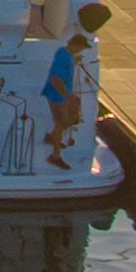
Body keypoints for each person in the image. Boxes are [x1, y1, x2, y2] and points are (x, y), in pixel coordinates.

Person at [43, 30, 94, 170]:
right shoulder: (64, 58)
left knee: (63, 121)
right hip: (57, 96)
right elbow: (56, 79)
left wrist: (74, 60)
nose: (82, 49)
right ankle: (55, 156)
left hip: (56, 94)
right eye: (81, 47)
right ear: (76, 46)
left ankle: (53, 137)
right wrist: (67, 96)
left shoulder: (63, 52)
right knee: (62, 122)